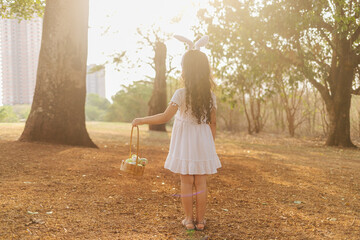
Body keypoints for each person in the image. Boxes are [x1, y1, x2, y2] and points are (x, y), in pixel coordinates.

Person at [132, 36, 221, 231]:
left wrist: (141, 120)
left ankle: (188, 220)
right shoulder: (210, 96)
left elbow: (165, 117)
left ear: (186, 70)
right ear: (205, 70)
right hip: (203, 142)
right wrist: (210, 146)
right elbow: (212, 123)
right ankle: (200, 222)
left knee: (187, 181)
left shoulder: (180, 94)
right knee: (201, 181)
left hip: (185, 143)